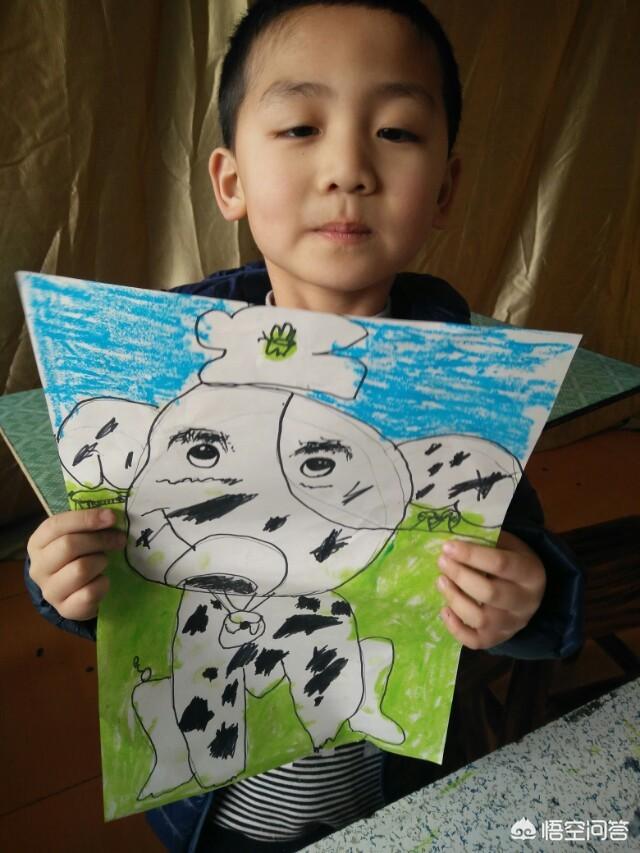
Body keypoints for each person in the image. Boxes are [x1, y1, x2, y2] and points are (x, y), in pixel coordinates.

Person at [25, 1, 583, 851]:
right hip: (210, 810)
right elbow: (116, 557)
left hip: (393, 798)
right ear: (230, 182)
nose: (349, 167)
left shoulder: (462, 392)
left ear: (445, 188)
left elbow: (527, 558)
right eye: (299, 127)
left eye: (396, 131)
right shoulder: (167, 379)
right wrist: (63, 582)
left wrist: (532, 596)